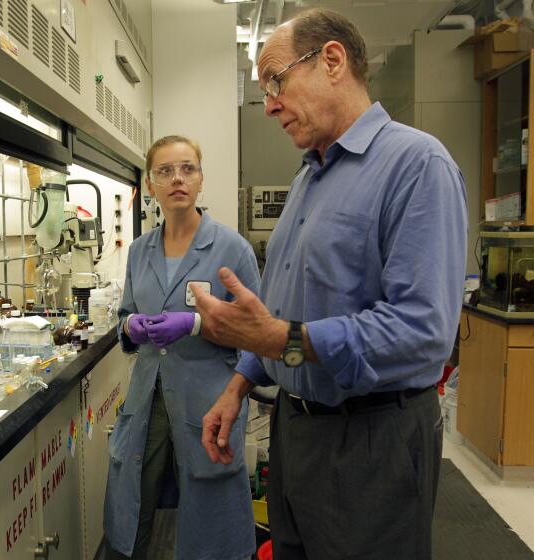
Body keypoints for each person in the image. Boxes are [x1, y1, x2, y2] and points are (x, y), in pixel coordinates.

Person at [193, 9, 468, 560]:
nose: (268, 104)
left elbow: (422, 332)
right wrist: (239, 384)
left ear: (333, 61)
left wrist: (277, 341)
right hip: (297, 432)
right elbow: (282, 308)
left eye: (276, 81)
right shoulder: (310, 174)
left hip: (373, 440)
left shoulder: (415, 165)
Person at [103, 135, 260, 560]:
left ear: (201, 179)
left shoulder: (232, 249)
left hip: (208, 400)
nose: (178, 179)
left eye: (188, 168)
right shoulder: (139, 251)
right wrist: (132, 326)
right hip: (148, 398)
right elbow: (124, 318)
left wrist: (194, 324)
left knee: (210, 514)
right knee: (135, 498)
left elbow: (257, 335)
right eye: (165, 171)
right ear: (151, 184)